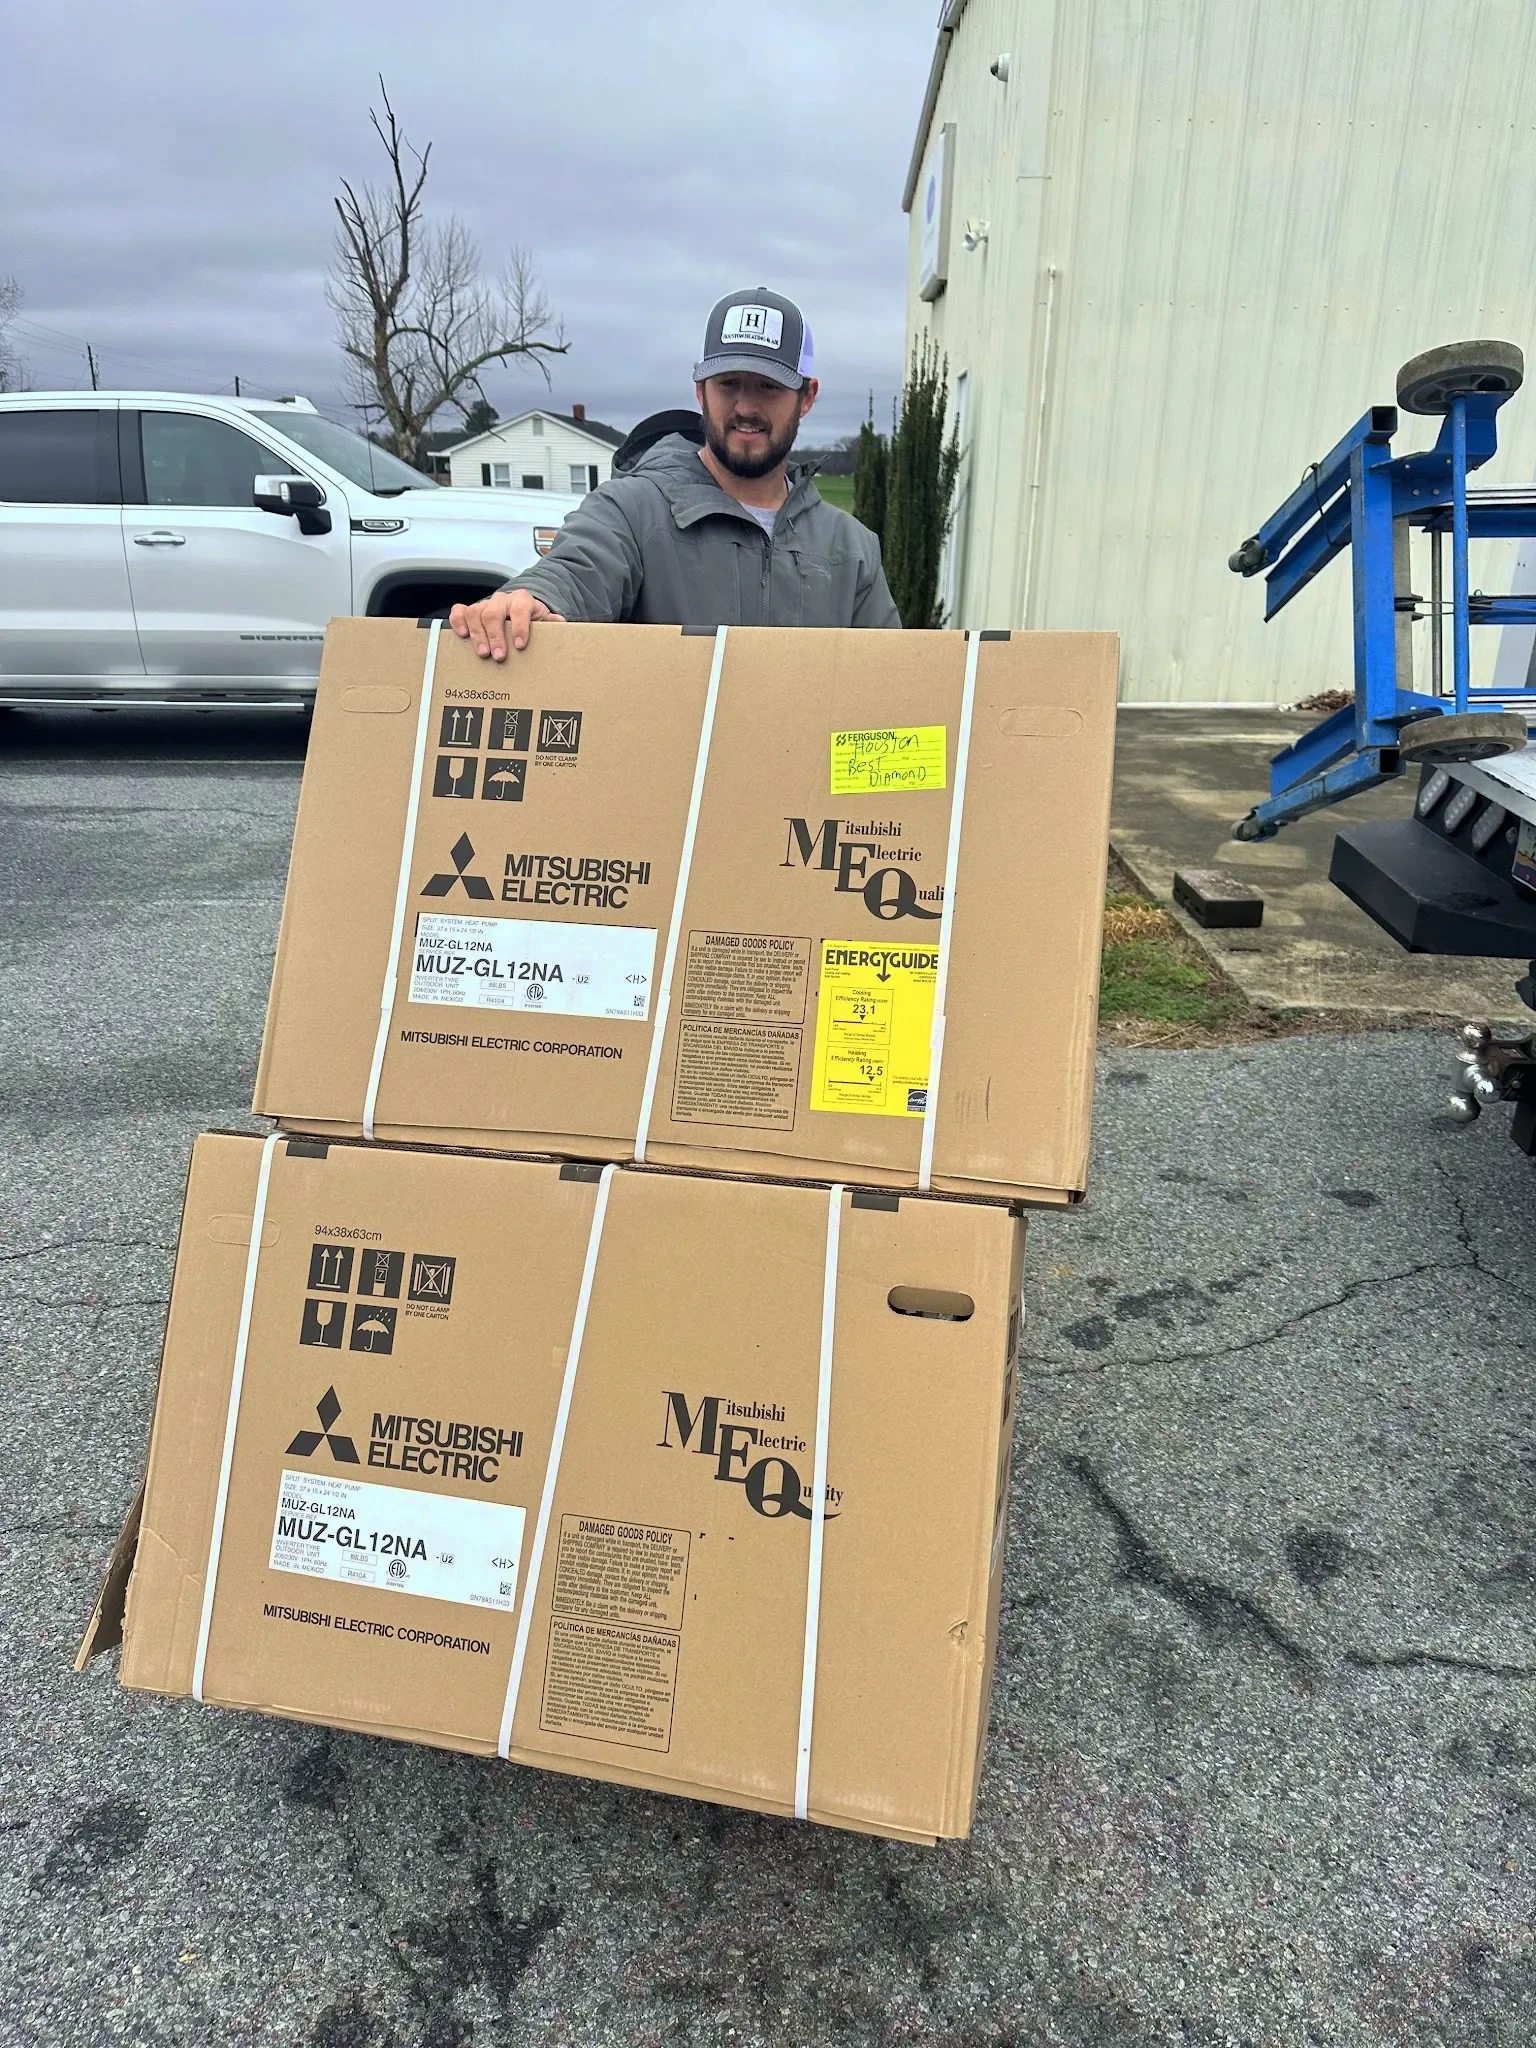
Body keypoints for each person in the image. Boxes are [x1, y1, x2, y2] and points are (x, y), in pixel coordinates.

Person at [450, 286, 901, 659]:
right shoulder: (632, 511)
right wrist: (532, 598)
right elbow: (576, 569)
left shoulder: (852, 550)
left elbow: (887, 690)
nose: (746, 407)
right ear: (700, 391)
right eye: (728, 384)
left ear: (806, 397)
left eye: (768, 386)